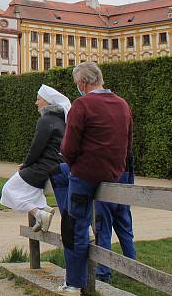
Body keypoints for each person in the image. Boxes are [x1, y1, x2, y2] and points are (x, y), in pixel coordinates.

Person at [57, 62, 133, 293]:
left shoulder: (82, 104)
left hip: (85, 175)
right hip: (114, 174)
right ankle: (113, 269)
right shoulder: (122, 104)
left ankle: (74, 282)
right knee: (112, 223)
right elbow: (128, 143)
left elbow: (68, 147)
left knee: (74, 227)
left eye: (76, 84)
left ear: (82, 83)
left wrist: (72, 164)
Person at [0, 84, 69, 232]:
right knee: (31, 191)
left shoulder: (47, 119)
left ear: (48, 102)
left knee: (8, 190)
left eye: (38, 99)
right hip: (56, 164)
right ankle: (43, 212)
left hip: (45, 166)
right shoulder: (61, 120)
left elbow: (37, 147)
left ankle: (40, 212)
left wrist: (26, 164)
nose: (36, 103)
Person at [94, 153, 136, 283]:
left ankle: (103, 272)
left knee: (103, 231)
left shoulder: (103, 142)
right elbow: (131, 169)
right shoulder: (125, 143)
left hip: (106, 185)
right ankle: (132, 270)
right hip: (124, 182)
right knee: (125, 230)